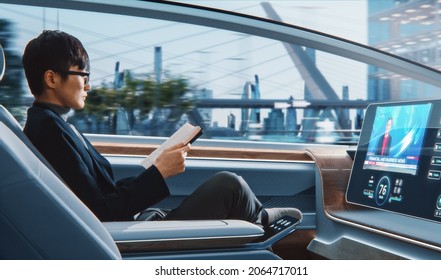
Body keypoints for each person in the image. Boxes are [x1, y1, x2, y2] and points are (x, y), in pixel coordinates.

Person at [22, 30, 301, 225]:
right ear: (52, 78)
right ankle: (260, 220)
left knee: (228, 187)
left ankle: (257, 217)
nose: (89, 85)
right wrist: (159, 173)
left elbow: (99, 195)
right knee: (230, 186)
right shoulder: (49, 131)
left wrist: (155, 171)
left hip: (127, 224)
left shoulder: (56, 125)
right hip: (119, 235)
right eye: (83, 75)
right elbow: (100, 212)